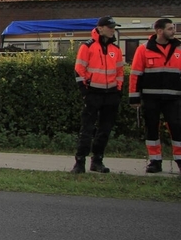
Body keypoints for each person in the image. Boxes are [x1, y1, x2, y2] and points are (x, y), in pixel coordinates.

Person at [71, 16, 124, 174]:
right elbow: (79, 70)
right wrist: (85, 92)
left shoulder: (116, 50)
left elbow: (120, 73)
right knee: (87, 129)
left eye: (113, 27)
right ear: (100, 28)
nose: (112, 30)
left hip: (111, 94)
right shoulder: (87, 47)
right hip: (93, 93)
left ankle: (97, 160)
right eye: (109, 27)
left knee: (104, 130)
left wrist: (118, 91)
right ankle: (80, 162)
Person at [129, 18, 181, 173]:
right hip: (151, 98)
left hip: (174, 98)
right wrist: (134, 97)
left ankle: (179, 159)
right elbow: (135, 74)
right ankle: (155, 160)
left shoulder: (179, 48)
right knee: (151, 128)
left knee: (177, 128)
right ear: (159, 31)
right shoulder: (143, 49)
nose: (174, 31)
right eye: (170, 29)